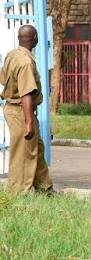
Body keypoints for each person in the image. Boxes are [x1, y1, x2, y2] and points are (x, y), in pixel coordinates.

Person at [0, 25, 55, 195]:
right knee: (23, 154)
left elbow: (3, 78)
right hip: (21, 111)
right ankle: (18, 193)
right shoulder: (25, 62)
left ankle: (45, 189)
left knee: (36, 149)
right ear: (35, 38)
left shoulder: (13, 55)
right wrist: (29, 121)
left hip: (14, 108)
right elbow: (26, 94)